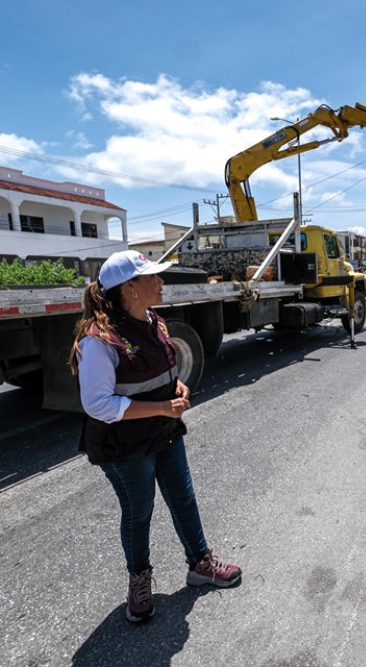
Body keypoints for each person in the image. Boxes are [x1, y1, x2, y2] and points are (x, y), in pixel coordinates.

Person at [69, 250, 241, 624]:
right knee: (138, 512)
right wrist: (163, 408)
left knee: (183, 498)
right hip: (124, 443)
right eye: (152, 277)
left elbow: (162, 370)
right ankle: (139, 580)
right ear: (129, 287)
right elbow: (98, 404)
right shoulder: (99, 339)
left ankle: (200, 563)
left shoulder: (154, 322)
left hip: (162, 432)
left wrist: (175, 386)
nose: (161, 282)